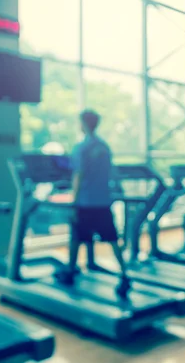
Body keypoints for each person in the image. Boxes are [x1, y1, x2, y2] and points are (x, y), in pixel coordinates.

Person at [55, 109, 131, 298]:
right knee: (112, 239)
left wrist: (73, 201)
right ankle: (124, 274)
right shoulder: (104, 147)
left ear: (83, 124)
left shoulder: (81, 148)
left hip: (86, 201)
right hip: (103, 201)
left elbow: (78, 175)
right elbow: (110, 172)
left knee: (77, 238)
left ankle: (70, 271)